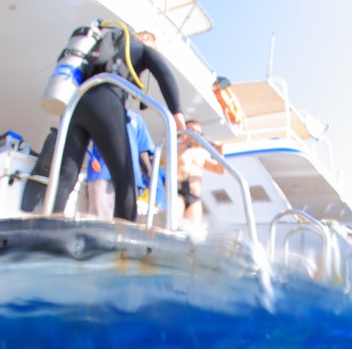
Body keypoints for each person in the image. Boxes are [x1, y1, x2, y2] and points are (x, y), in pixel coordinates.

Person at [26, 27, 186, 221]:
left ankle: (49, 224)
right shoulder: (141, 48)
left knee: (67, 174)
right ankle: (123, 240)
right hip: (105, 101)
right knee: (124, 177)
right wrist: (176, 111)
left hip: (76, 103)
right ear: (145, 40)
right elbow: (163, 73)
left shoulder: (105, 49)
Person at [175, 119, 224, 226]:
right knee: (175, 225)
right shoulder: (176, 148)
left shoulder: (202, 152)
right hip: (177, 193)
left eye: (198, 132)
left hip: (194, 195)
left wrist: (220, 150)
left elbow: (220, 170)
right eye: (192, 131)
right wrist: (186, 144)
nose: (195, 134)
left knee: (194, 232)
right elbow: (163, 161)